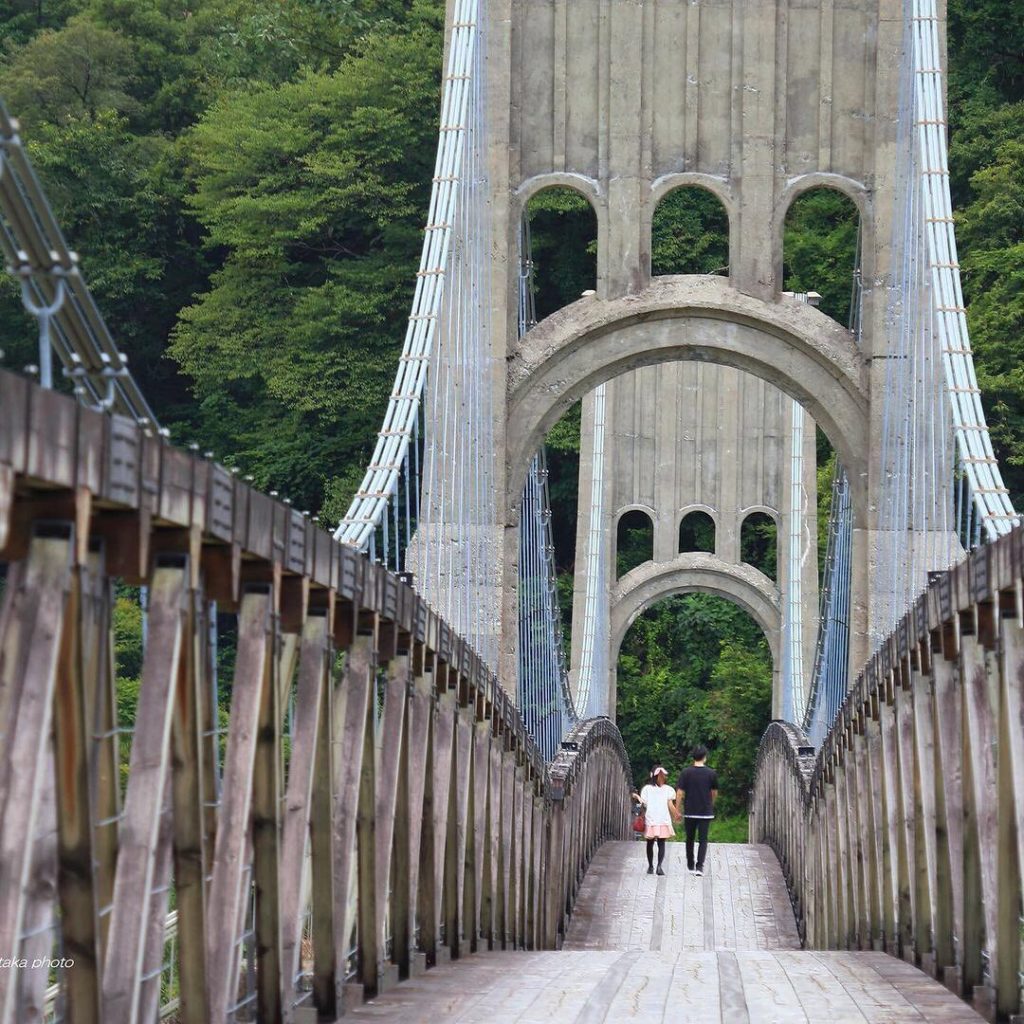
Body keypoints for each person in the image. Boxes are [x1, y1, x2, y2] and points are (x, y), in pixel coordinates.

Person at [675, 745, 718, 876]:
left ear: (693, 757)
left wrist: (677, 810)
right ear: (705, 757)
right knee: (703, 839)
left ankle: (690, 864)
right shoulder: (711, 773)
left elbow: (680, 792)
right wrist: (711, 803)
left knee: (690, 838)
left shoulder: (686, 772)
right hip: (705, 811)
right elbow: (714, 792)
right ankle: (699, 867)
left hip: (690, 810)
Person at [631, 766, 680, 876]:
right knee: (661, 844)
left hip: (651, 820)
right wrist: (676, 814)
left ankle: (651, 866)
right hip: (663, 820)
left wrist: (636, 796)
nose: (664, 777)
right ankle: (659, 866)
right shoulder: (668, 789)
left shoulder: (647, 789)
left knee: (650, 843)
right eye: (662, 775)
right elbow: (670, 805)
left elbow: (644, 803)